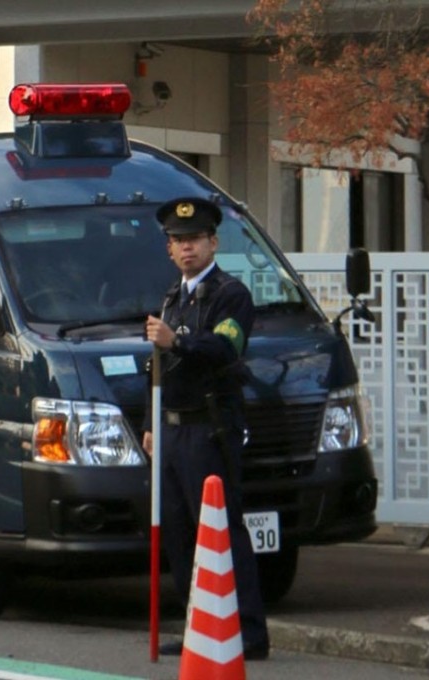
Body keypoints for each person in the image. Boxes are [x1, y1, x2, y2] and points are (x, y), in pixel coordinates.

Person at [143, 196, 270, 660]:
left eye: (194, 239)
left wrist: (177, 340)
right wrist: (150, 423)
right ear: (169, 250)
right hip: (173, 431)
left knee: (221, 529)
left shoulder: (230, 294)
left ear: (213, 242)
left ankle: (250, 632)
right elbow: (154, 369)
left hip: (210, 429)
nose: (187, 248)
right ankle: (199, 622)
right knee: (178, 531)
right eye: (178, 241)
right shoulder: (172, 298)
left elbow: (225, 348)